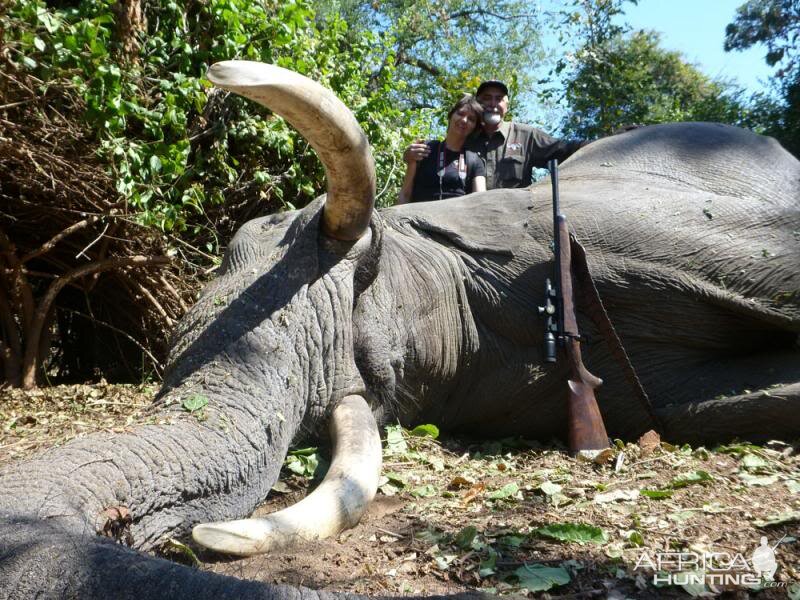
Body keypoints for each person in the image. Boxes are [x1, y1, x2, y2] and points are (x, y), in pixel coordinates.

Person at [404, 80, 586, 190]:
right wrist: (410, 156)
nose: (492, 103)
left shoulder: (526, 135)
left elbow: (567, 150)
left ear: (507, 104)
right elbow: (436, 160)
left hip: (516, 225)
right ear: (477, 103)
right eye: (486, 98)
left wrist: (609, 145)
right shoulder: (466, 136)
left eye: (499, 98)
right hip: (466, 226)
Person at [397, 95, 486, 204]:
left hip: (457, 219)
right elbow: (405, 194)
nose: (464, 120)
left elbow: (481, 202)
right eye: (460, 113)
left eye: (471, 119)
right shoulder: (425, 148)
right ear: (450, 116)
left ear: (475, 127)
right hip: (418, 217)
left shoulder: (475, 161)